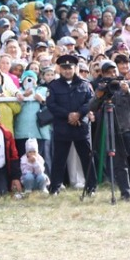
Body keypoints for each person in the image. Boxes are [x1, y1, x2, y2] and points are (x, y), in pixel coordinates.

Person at [89, 58, 130, 202]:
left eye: (113, 71)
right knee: (119, 164)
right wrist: (98, 96)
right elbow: (91, 107)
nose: (112, 75)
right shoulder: (103, 88)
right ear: (103, 75)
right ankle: (125, 193)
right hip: (112, 131)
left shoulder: (129, 84)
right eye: (108, 73)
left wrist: (128, 91)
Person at [44, 53, 95, 196]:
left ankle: (91, 187)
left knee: (87, 157)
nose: (67, 71)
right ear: (60, 69)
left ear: (75, 68)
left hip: (81, 125)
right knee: (59, 159)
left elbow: (90, 101)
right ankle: (55, 188)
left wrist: (78, 114)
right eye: (64, 68)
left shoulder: (85, 84)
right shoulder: (54, 85)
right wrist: (68, 115)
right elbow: (51, 104)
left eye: (70, 68)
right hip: (63, 126)